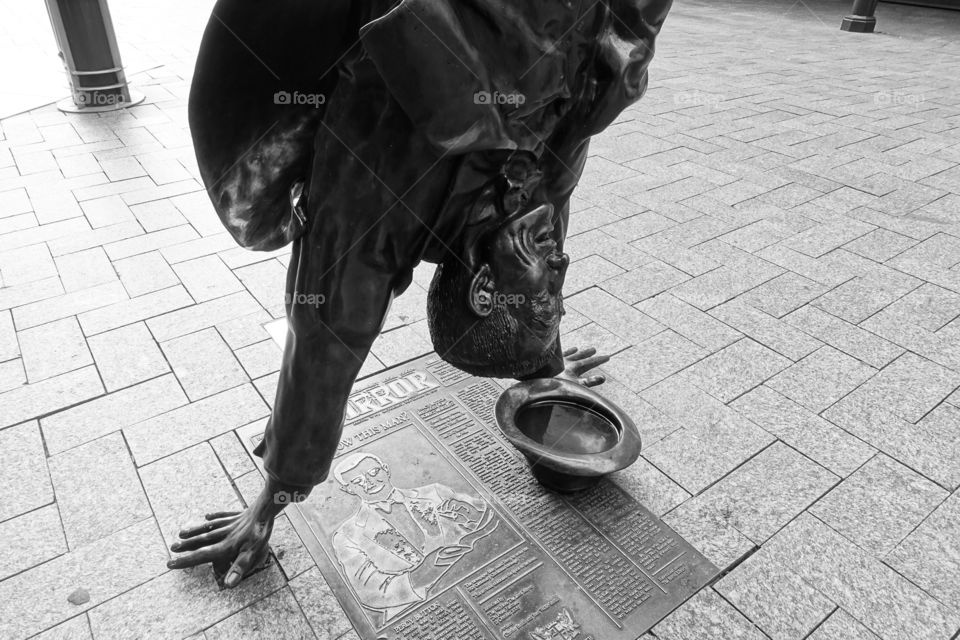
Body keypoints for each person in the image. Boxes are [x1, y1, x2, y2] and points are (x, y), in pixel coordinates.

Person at [168, 0, 673, 588]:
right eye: (553, 297)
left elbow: (326, 336)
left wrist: (271, 500)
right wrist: (543, 365)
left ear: (485, 286)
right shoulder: (552, 175)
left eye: (545, 294)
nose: (562, 258)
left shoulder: (374, 193)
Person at [330, 453, 493, 622]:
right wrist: (425, 571)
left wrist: (472, 515)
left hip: (481, 578)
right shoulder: (346, 535)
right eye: (357, 481)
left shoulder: (435, 493)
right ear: (348, 489)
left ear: (386, 470)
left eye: (373, 472)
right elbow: (369, 591)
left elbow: (495, 520)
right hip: (423, 613)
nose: (369, 482)